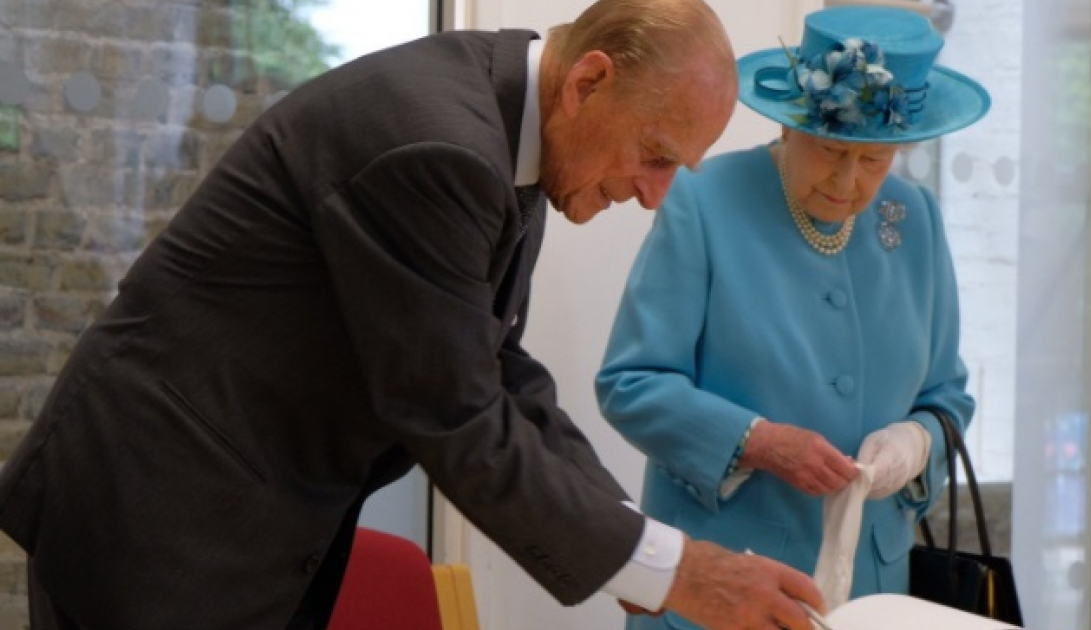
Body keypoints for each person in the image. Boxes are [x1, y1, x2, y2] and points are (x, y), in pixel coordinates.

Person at [0, 1, 828, 629]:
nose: (655, 196)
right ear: (589, 82)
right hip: (161, 515)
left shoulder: (515, 132)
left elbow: (499, 368)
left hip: (239, 511)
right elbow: (454, 413)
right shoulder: (440, 144)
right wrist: (672, 573)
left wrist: (637, 545)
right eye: (654, 156)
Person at [595, 6, 991, 629]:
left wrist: (914, 445)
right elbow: (632, 384)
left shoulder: (914, 218)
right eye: (832, 150)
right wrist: (760, 442)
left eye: (874, 161)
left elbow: (947, 396)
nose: (849, 182)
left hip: (872, 593)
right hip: (723, 587)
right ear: (790, 126)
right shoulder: (704, 201)